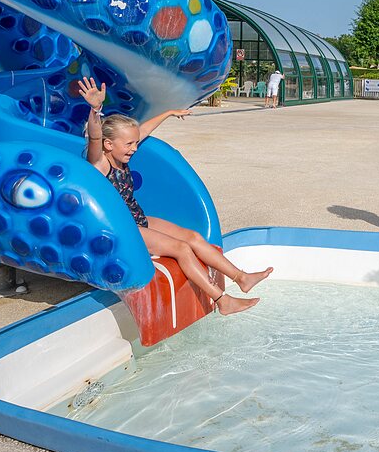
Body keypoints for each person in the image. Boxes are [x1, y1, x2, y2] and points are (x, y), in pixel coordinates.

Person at [78, 77, 272, 315]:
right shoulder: (100, 163)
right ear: (108, 144)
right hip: (123, 228)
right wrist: (96, 109)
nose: (135, 148)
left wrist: (168, 112)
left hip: (138, 220)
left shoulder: (120, 154)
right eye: (129, 144)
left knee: (192, 236)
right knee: (181, 248)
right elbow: (95, 137)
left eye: (135, 143)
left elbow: (144, 130)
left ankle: (241, 277)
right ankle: (223, 301)